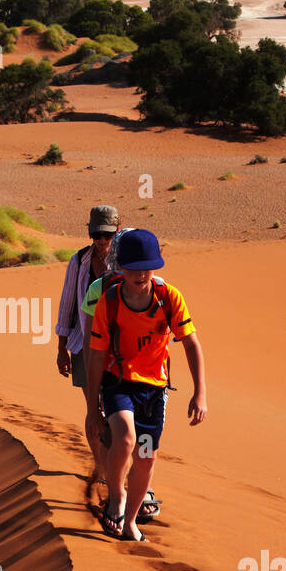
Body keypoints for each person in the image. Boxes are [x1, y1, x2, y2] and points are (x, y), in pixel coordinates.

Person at [85, 229, 207, 541]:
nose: (141, 274)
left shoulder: (169, 298)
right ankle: (116, 498)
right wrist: (92, 406)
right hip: (117, 382)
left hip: (153, 390)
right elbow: (96, 355)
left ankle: (130, 524)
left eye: (147, 267)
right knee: (124, 438)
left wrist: (200, 392)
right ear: (120, 267)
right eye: (133, 267)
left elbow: (191, 343)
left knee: (146, 456)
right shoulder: (108, 302)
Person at [56, 205, 119, 484]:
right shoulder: (79, 261)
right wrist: (61, 349)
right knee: (94, 408)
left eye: (107, 234)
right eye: (96, 234)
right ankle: (101, 468)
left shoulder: (126, 262)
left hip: (118, 349)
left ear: (117, 230)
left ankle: (116, 469)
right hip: (83, 346)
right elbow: (67, 303)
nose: (102, 240)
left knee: (118, 413)